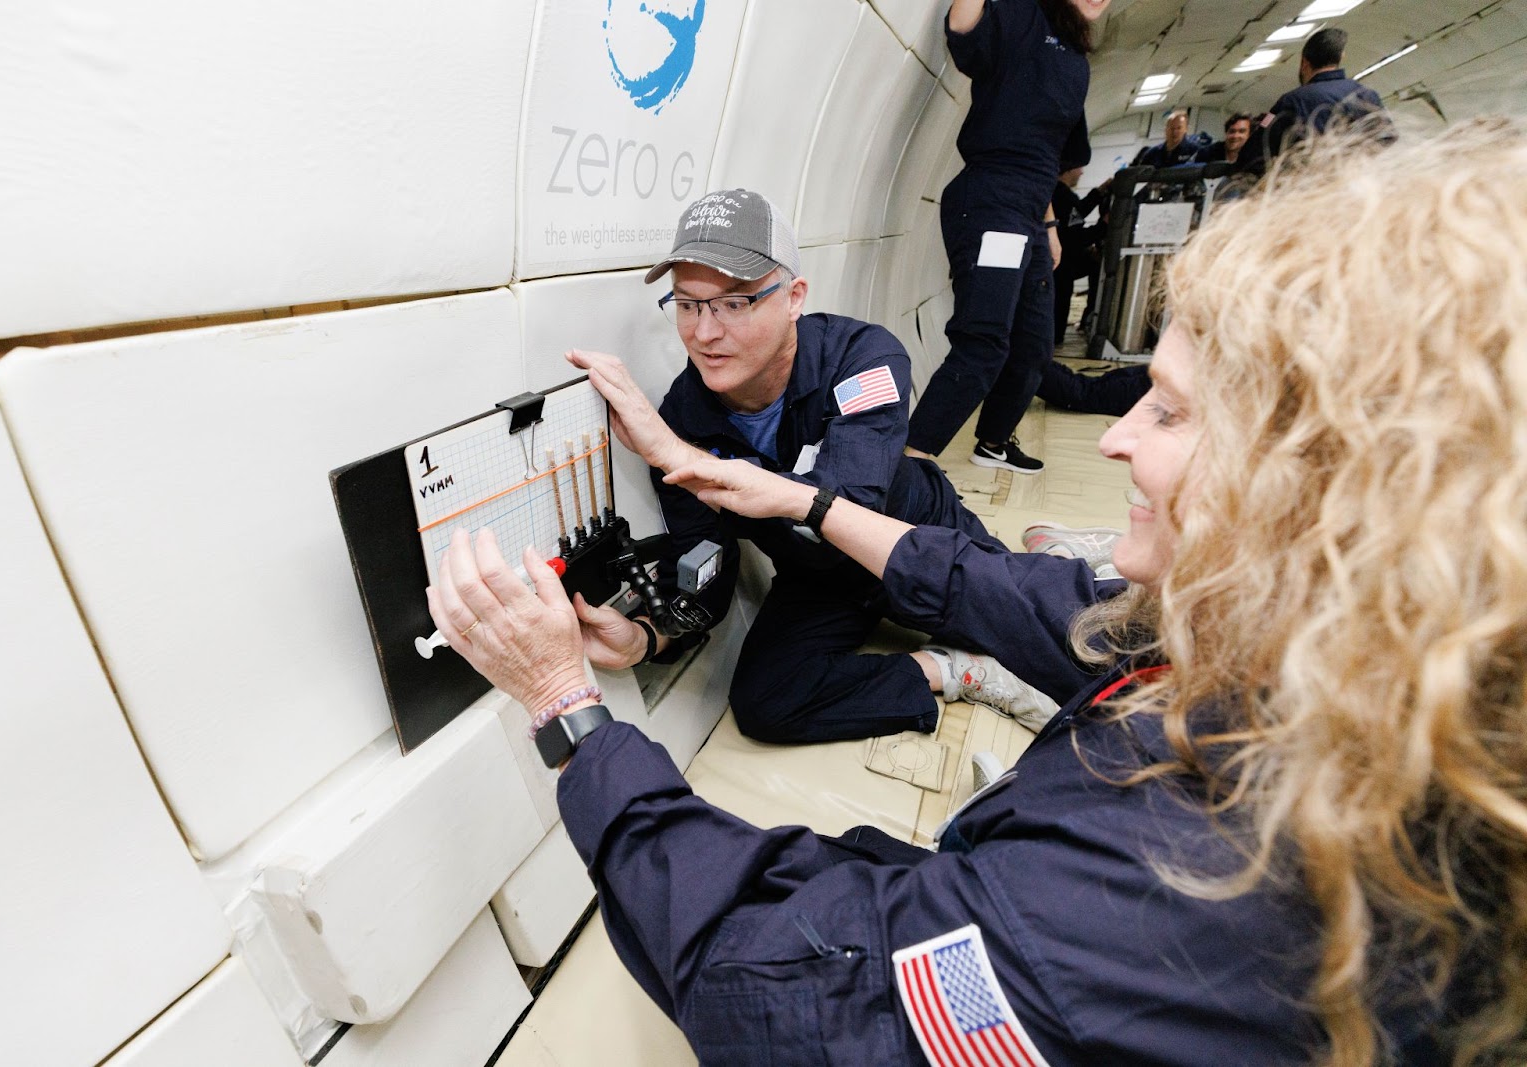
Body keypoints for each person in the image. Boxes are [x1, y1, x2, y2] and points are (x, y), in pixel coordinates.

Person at [428, 120, 1527, 1064]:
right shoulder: (1301, 670)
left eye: (1175, 413)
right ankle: (968, 652)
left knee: (985, 582)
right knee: (821, 707)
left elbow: (770, 982)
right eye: (688, 305)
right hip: (838, 571)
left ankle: (994, 643)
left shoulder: (853, 355)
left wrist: (563, 700)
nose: (1125, 433)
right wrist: (652, 624)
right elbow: (708, 550)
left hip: (898, 532)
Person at [562, 188, 1053, 744]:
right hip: (820, 576)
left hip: (919, 539)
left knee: (1047, 636)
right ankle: (953, 670)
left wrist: (681, 458)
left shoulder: (862, 356)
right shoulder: (681, 420)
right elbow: (704, 564)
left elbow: (849, 504)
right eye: (688, 304)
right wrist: (649, 637)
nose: (704, 333)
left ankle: (1048, 558)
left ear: (793, 297)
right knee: (765, 703)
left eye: (734, 302)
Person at [904, 0, 1110, 477]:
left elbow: (1053, 154)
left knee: (1036, 345)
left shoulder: (1076, 61)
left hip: (1031, 215)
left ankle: (993, 441)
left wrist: (1051, 225)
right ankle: (911, 463)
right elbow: (963, 26)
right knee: (983, 343)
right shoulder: (1023, 14)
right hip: (991, 200)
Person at [1241, 28, 1391, 173]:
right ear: (1340, 57)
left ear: (1304, 63)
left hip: (1310, 189)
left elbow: (1255, 150)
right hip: (1358, 190)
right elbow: (1386, 139)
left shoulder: (1290, 101)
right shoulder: (1367, 94)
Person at [1049, 162, 1106, 344]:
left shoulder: (1059, 194)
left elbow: (1076, 213)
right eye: (1079, 167)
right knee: (1060, 296)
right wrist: (1103, 225)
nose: (1082, 172)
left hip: (1060, 257)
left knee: (1093, 265)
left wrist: (1098, 193)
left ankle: (1082, 321)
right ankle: (1055, 337)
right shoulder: (1063, 197)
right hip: (1062, 260)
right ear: (1068, 168)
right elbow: (1075, 235)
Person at [1130, 108, 1203, 168]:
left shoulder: (1195, 151)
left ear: (1186, 129)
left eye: (1179, 128)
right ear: (1166, 129)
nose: (1175, 132)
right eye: (1171, 128)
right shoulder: (1152, 153)